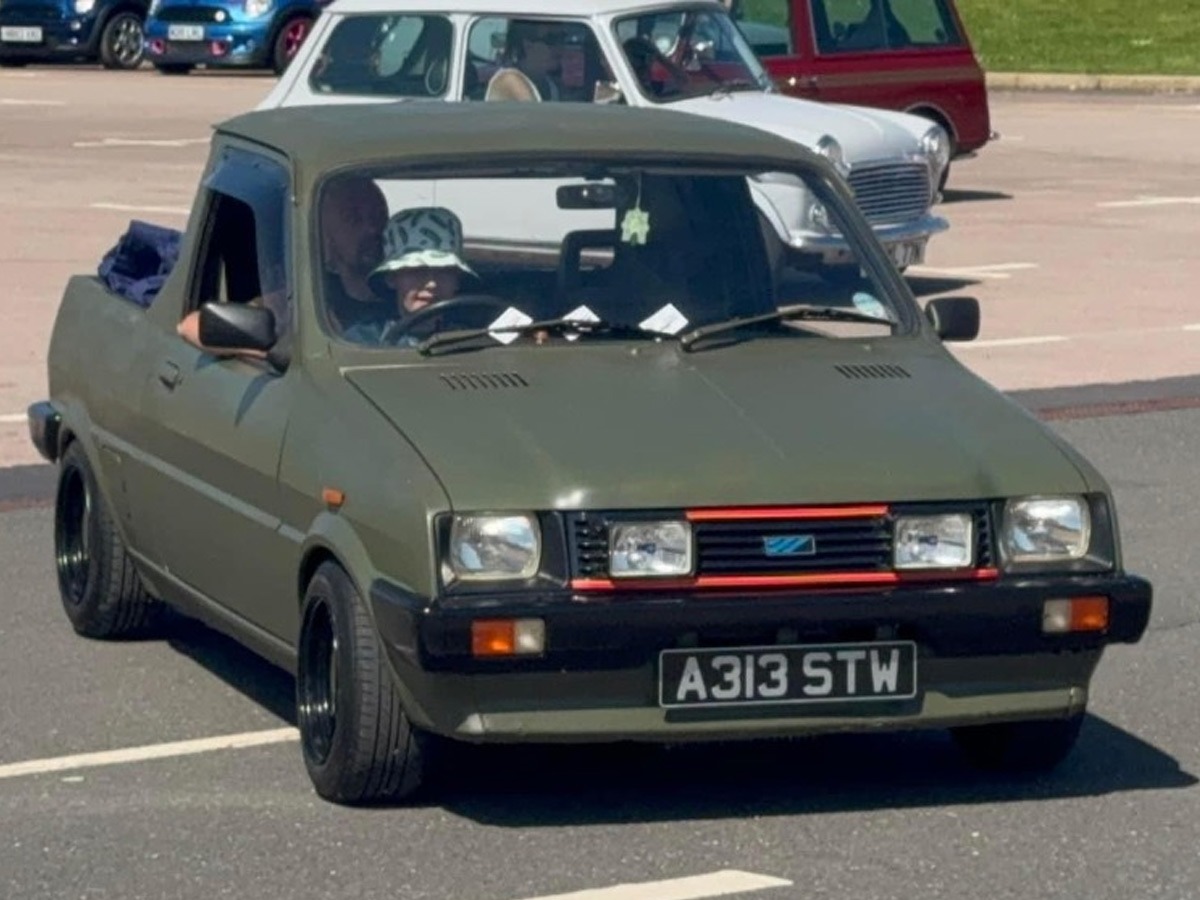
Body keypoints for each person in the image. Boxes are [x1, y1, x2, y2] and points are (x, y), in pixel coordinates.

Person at [177, 173, 391, 355]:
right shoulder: (302, 301)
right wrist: (270, 355)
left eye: (378, 216)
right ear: (325, 237)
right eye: (353, 219)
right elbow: (190, 326)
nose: (372, 229)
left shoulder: (410, 288)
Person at [344, 206, 478, 344]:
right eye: (417, 270)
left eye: (444, 271)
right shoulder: (363, 340)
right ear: (391, 278)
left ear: (457, 281)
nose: (432, 283)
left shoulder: (475, 339)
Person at [485, 20, 568, 102]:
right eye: (551, 39)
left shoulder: (551, 86)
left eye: (562, 38)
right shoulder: (509, 82)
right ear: (528, 45)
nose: (558, 46)